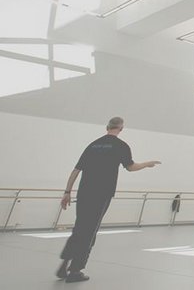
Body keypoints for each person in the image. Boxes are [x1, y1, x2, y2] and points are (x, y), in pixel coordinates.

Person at [57, 117, 160, 283]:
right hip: (101, 194)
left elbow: (76, 170)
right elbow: (130, 167)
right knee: (90, 231)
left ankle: (64, 265)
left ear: (107, 127)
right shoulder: (121, 146)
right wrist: (146, 164)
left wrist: (67, 191)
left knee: (80, 228)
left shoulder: (93, 145)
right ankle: (75, 270)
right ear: (121, 129)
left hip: (84, 193)